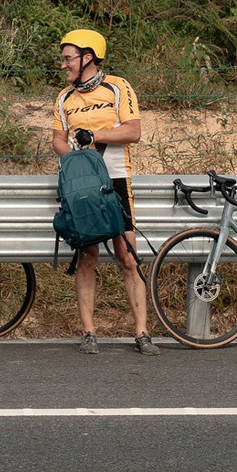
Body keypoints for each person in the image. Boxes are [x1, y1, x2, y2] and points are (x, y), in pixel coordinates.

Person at [49, 28, 152, 355]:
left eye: (68, 58)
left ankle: (142, 332)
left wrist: (94, 135)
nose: (63, 64)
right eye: (63, 58)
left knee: (128, 258)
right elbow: (57, 140)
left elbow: (133, 131)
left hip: (116, 181)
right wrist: (78, 159)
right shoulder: (64, 98)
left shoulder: (117, 87)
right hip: (82, 187)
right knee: (87, 257)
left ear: (87, 57)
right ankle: (89, 332)